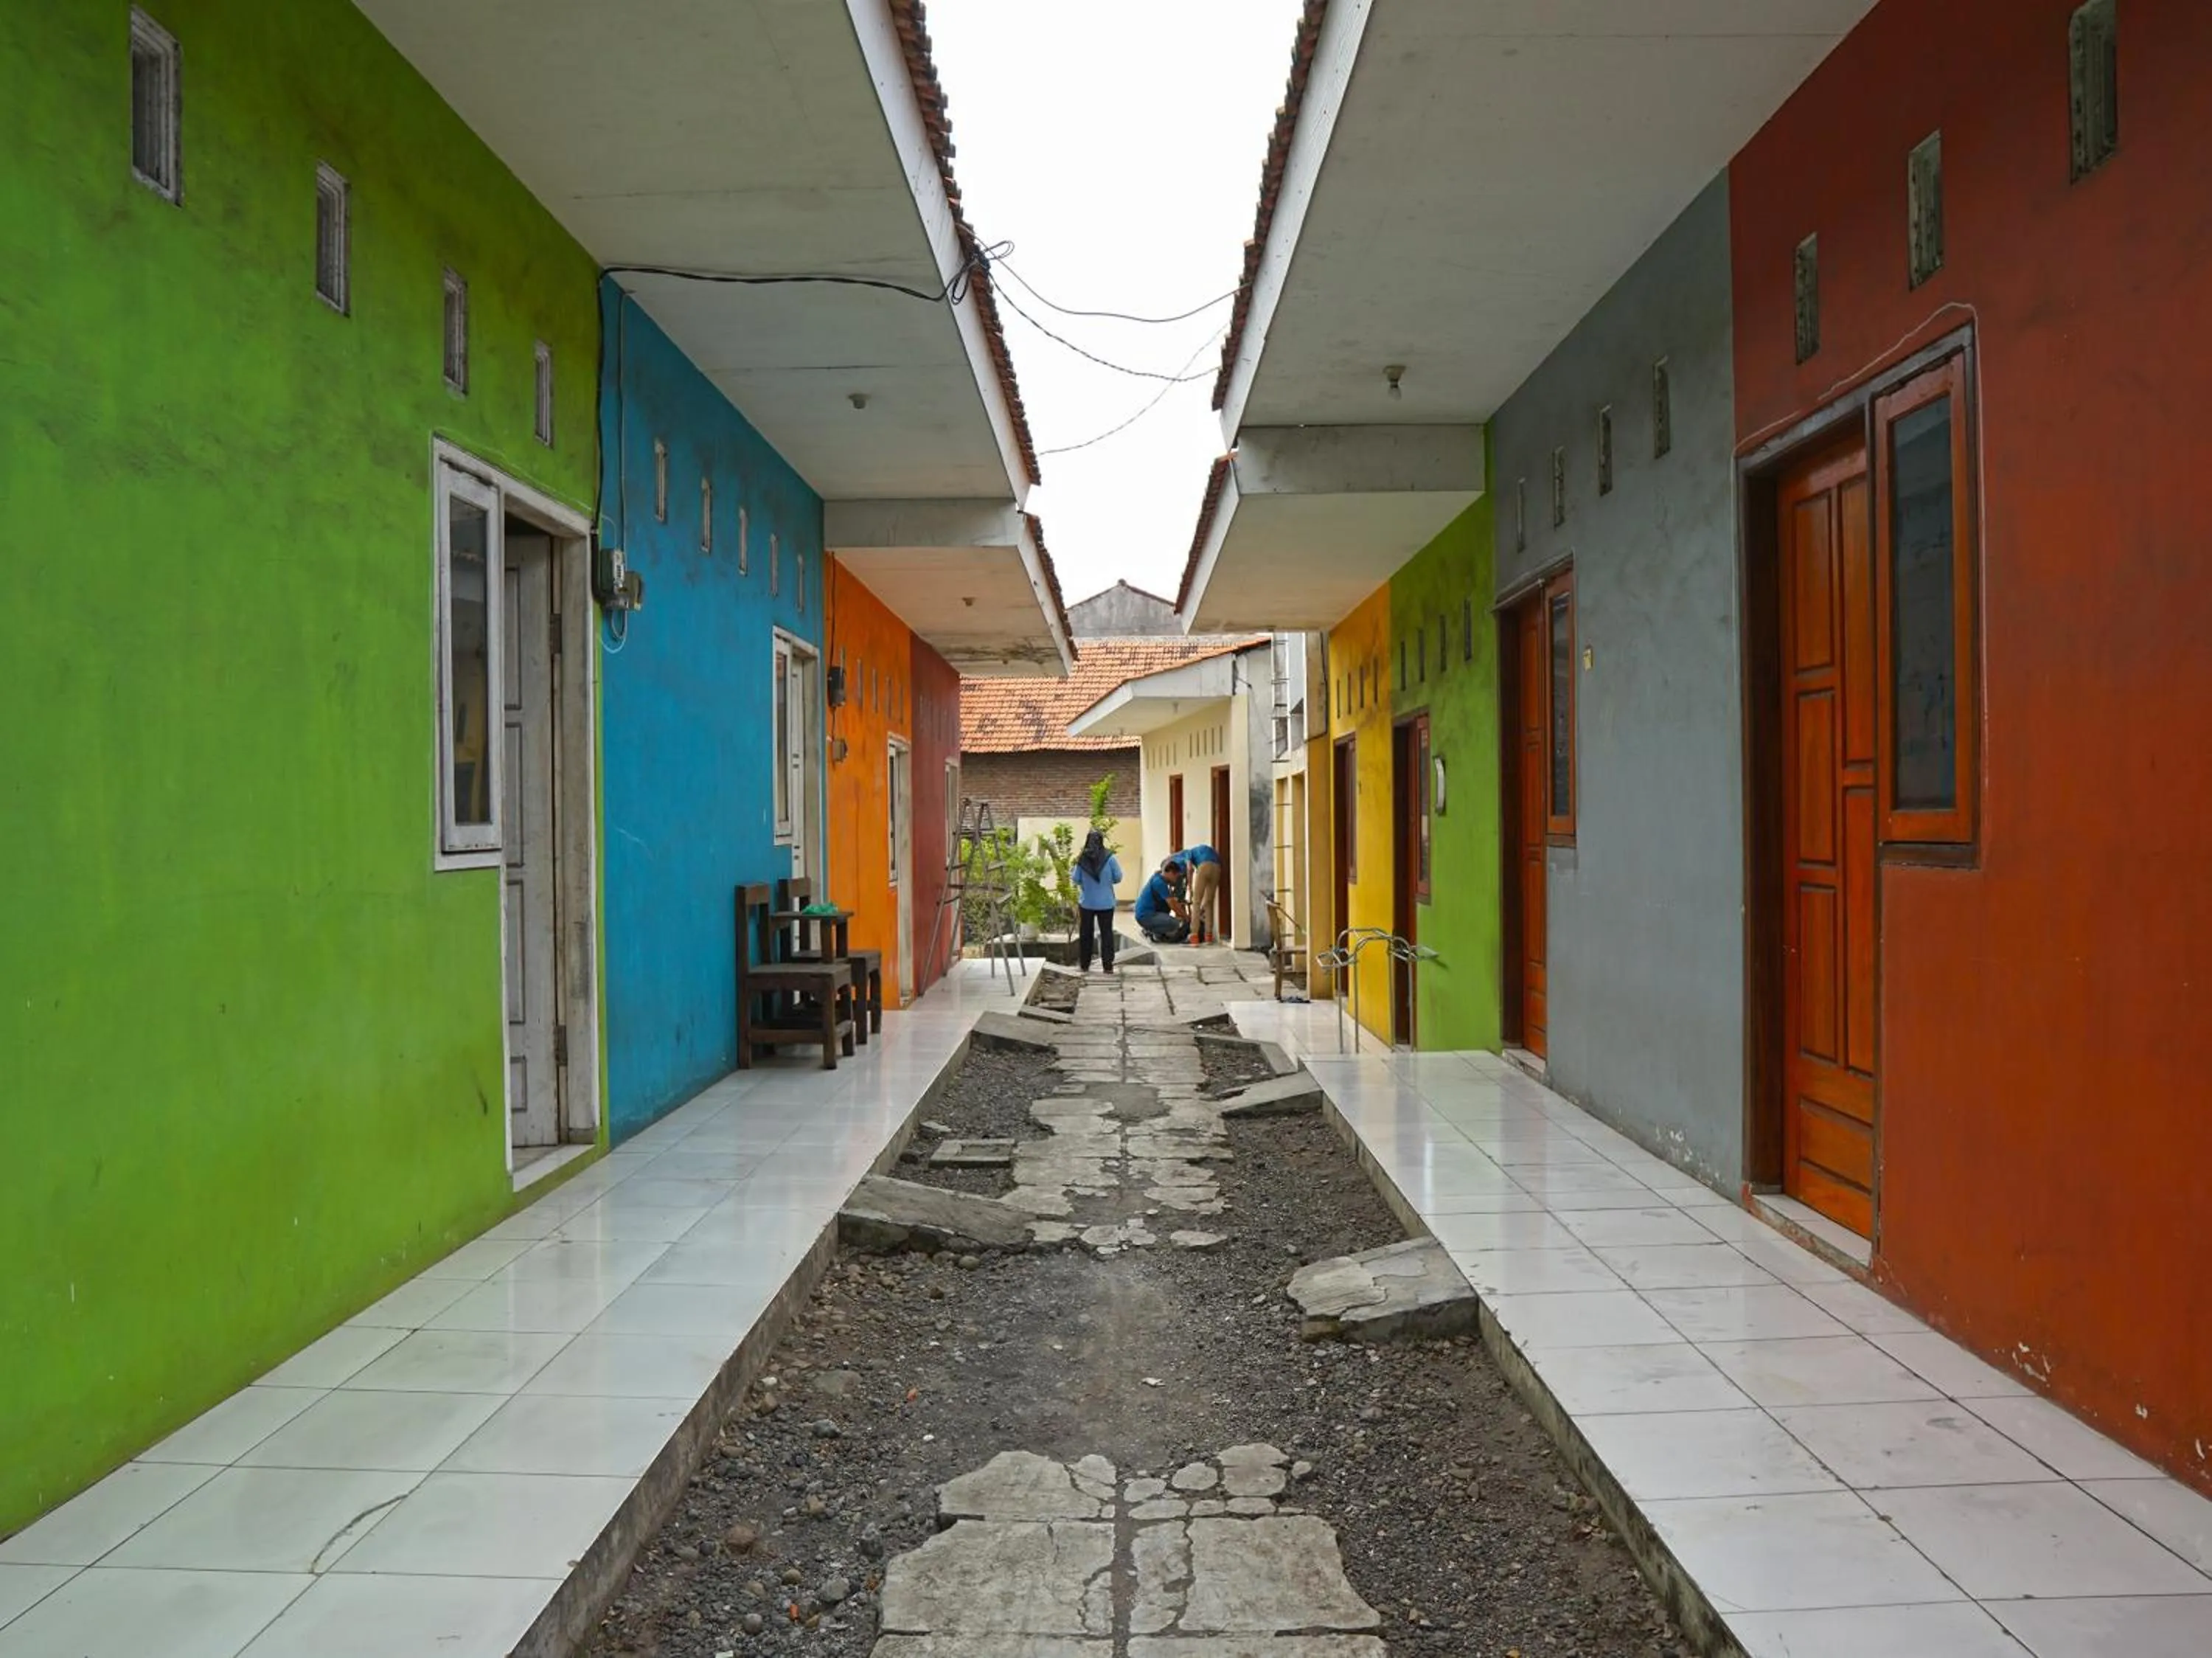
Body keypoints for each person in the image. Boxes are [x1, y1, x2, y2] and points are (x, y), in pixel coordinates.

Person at [1072, 829, 1122, 973]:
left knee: (1085, 933)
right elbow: (1118, 877)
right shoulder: (1110, 858)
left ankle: (1084, 965)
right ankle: (1108, 966)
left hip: (1087, 903)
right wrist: (1106, 882)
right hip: (1106, 903)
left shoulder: (1082, 859)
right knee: (1107, 933)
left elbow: (1076, 879)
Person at [1134, 857, 1191, 944]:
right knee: (1175, 923)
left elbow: (1172, 903)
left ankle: (1154, 932)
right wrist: (1186, 918)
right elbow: (1173, 905)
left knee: (1167, 908)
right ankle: (1152, 932)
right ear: (1170, 872)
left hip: (1146, 914)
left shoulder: (1159, 878)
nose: (1176, 879)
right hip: (1146, 916)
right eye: (1176, 876)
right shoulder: (1159, 883)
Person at [1178, 842, 1223, 945]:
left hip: (1204, 866)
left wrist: (1190, 887)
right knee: (1209, 902)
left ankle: (1194, 936)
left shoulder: (1187, 853)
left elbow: (1190, 868)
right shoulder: (1201, 849)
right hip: (1217, 867)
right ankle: (1208, 937)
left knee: (1196, 901)